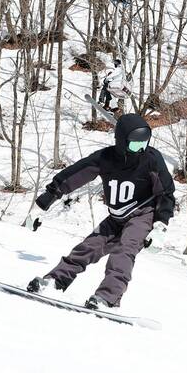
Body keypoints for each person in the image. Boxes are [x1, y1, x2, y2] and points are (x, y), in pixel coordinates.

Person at [28, 113, 174, 309]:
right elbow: (73, 175)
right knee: (87, 247)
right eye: (134, 145)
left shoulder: (151, 159)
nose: (140, 149)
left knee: (124, 251)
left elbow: (166, 192)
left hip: (143, 214)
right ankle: (55, 282)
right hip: (116, 217)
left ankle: (108, 298)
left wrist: (160, 227)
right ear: (122, 142)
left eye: (144, 143)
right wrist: (42, 204)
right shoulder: (106, 159)